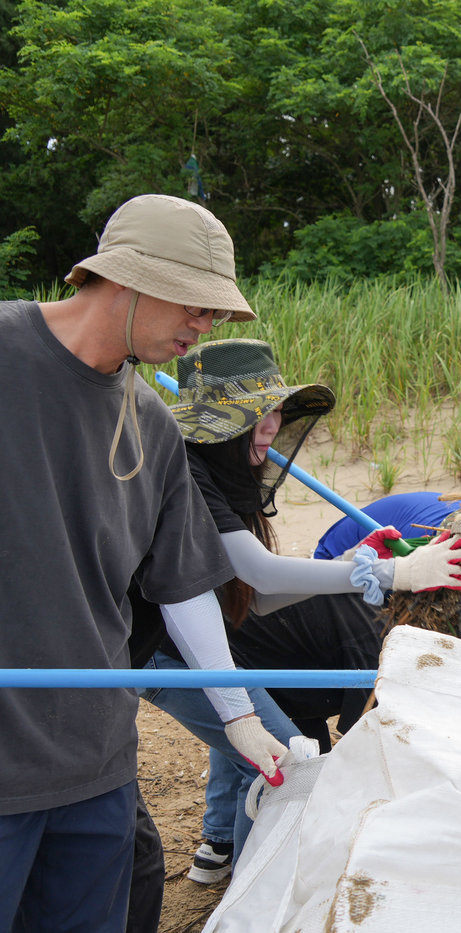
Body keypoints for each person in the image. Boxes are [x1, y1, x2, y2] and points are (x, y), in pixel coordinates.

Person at [0, 194, 287, 932]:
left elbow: (183, 583)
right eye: (196, 305)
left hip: (96, 760)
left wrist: (240, 715)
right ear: (126, 278)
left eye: (217, 314)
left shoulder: (152, 423)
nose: (207, 326)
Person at [137, 338, 461, 882]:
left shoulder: (226, 479)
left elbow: (260, 596)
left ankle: (241, 872)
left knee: (272, 765)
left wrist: (353, 563)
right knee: (291, 772)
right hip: (168, 653)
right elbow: (262, 572)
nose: (273, 424)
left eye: (276, 409)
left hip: (211, 647)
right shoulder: (187, 471)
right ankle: (259, 896)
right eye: (256, 412)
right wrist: (393, 573)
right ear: (219, 423)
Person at [315, 490, 461, 661]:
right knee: (378, 649)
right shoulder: (433, 550)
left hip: (385, 567)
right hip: (338, 561)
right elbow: (410, 615)